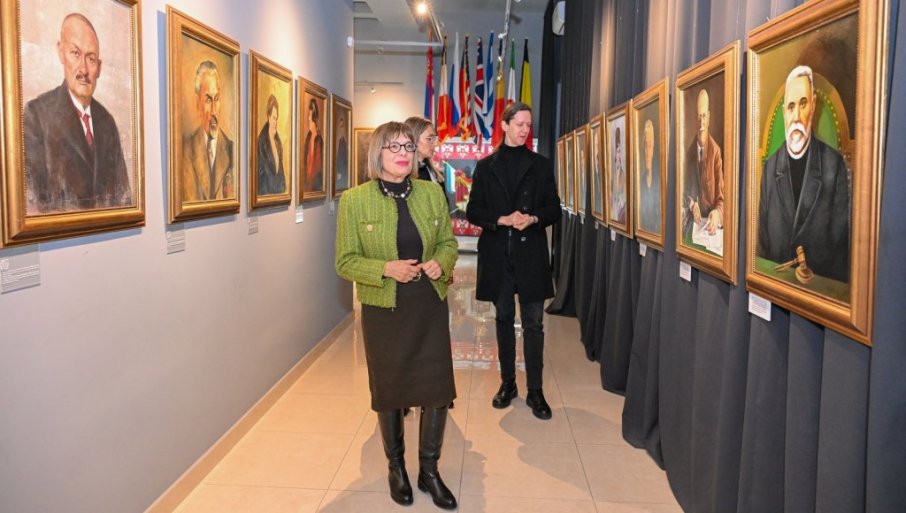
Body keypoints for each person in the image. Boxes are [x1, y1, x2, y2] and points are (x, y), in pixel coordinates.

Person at [335, 121, 459, 509]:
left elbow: (448, 243)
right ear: (378, 153)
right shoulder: (355, 200)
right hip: (384, 311)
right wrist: (386, 268)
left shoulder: (431, 193)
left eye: (407, 146)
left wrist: (441, 261)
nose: (403, 153)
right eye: (393, 147)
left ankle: (429, 471)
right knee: (390, 391)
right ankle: (397, 469)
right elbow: (345, 261)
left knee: (437, 391)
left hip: (428, 305)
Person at [466, 102, 561, 420]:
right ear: (504, 125)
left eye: (528, 125)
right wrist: (502, 219)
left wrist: (532, 218)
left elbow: (554, 208)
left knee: (534, 324)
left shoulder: (541, 165)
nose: (524, 130)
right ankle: (508, 383)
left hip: (531, 254)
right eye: (519, 124)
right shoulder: (485, 166)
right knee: (504, 319)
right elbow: (474, 211)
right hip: (498, 255)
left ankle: (536, 391)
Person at [24, 13, 131, 215]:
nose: (83, 69)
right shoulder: (35, 116)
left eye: (91, 58)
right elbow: (32, 206)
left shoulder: (107, 123)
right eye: (75, 53)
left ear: (99, 68)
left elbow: (124, 200)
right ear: (61, 52)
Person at [758, 65, 850, 282]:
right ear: (784, 113)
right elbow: (761, 249)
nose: (797, 116)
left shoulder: (834, 166)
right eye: (791, 107)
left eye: (803, 104)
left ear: (813, 105)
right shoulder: (770, 169)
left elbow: (841, 256)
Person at [182, 60, 234, 202]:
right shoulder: (186, 150)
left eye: (216, 99)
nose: (214, 111)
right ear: (198, 104)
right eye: (208, 100)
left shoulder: (232, 151)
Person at [683, 88, 724, 236]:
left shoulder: (716, 152)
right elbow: (683, 192)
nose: (702, 122)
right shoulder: (689, 154)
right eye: (699, 117)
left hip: (710, 230)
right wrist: (692, 204)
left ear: (709, 117)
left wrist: (717, 213)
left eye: (704, 116)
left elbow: (722, 199)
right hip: (693, 227)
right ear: (695, 118)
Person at [256, 94, 286, 195]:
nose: (275, 122)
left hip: (278, 197)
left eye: (276, 118)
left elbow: (281, 174)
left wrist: (282, 195)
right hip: (266, 197)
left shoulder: (278, 143)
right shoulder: (261, 143)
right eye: (273, 118)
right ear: (268, 117)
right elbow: (261, 178)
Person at [639, 119, 661, 234]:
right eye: (645, 147)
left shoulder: (660, 181)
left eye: (650, 146)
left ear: (653, 149)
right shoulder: (641, 184)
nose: (647, 152)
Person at [302, 98, 323, 192]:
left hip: (315, 186)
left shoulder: (319, 140)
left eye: (309, 116)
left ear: (313, 119)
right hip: (307, 184)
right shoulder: (308, 138)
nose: (308, 118)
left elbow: (318, 167)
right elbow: (304, 162)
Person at [610, 126, 626, 223]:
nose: (619, 156)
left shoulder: (624, 176)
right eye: (618, 152)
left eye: (620, 152)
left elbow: (623, 200)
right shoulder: (612, 175)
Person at [335, 115, 349, 189]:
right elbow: (338, 158)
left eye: (342, 126)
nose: (341, 129)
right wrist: (338, 172)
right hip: (341, 172)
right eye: (340, 126)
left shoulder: (345, 141)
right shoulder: (340, 141)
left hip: (345, 171)